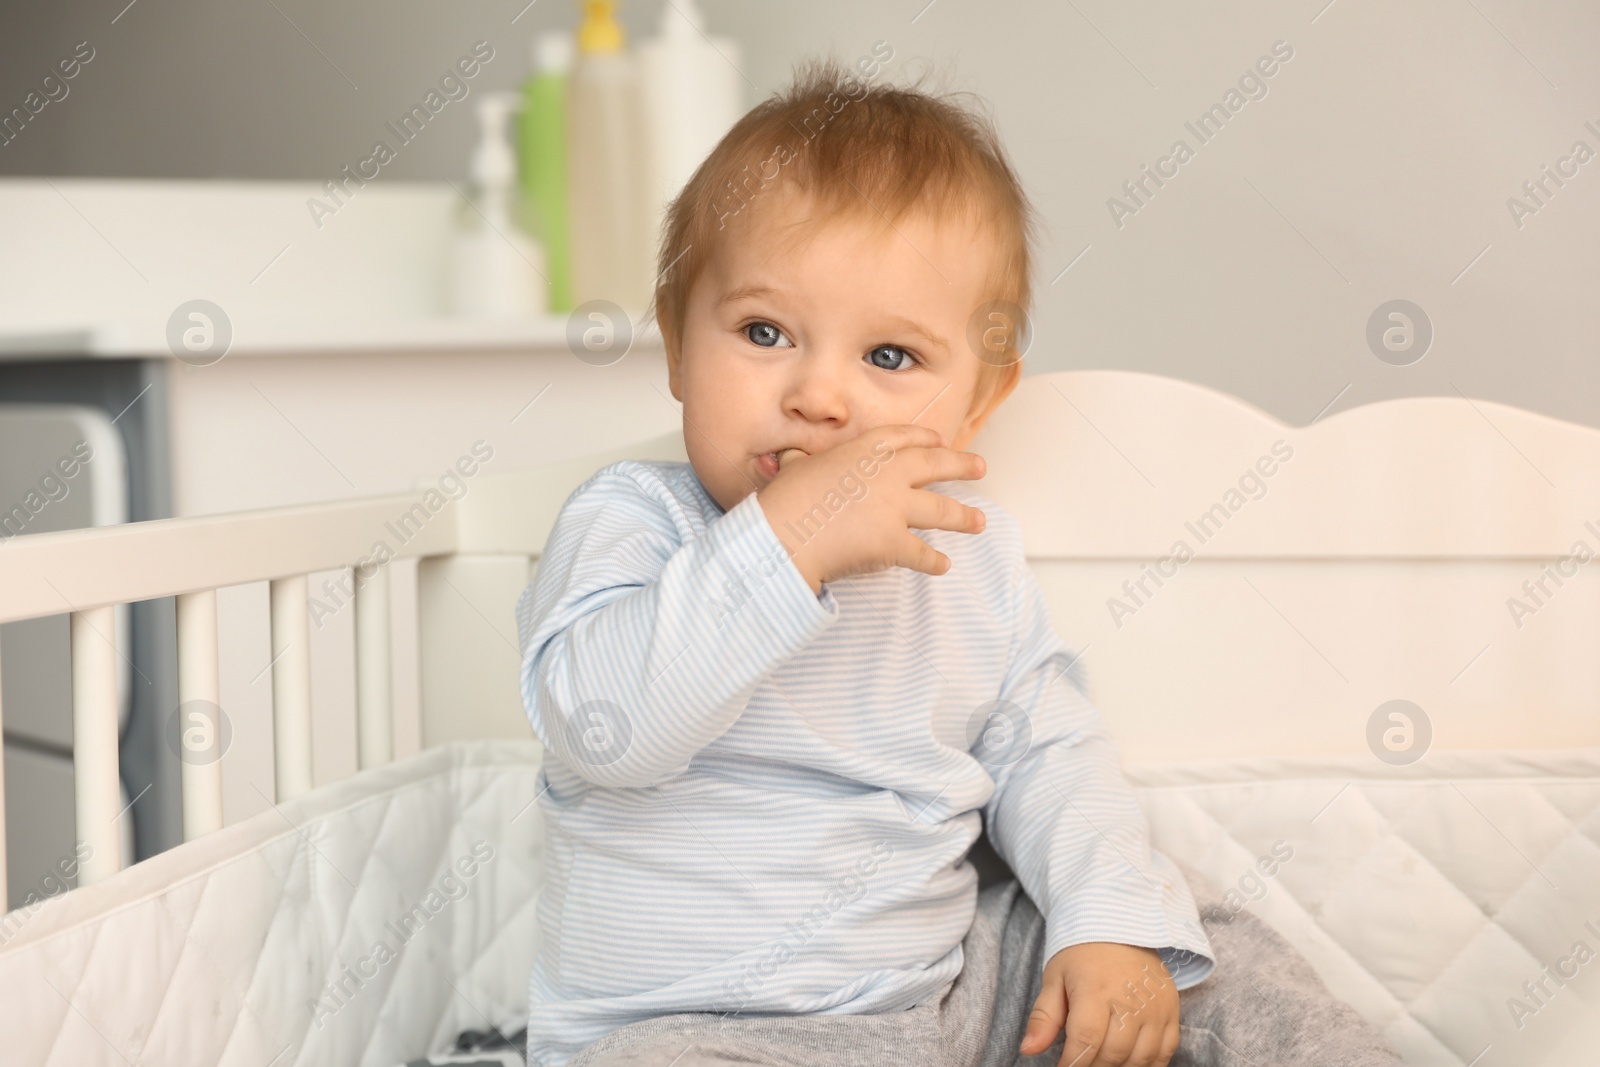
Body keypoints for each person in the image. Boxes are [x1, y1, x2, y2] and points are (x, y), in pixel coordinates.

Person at [513, 57, 1404, 1067]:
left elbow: (1048, 753)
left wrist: (1101, 921)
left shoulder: (964, 562)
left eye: (888, 357)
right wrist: (782, 546)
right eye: (764, 332)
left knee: (1203, 953)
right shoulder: (631, 522)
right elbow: (607, 730)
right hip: (687, 1028)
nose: (818, 395)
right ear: (676, 344)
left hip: (944, 1003)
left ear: (980, 398)